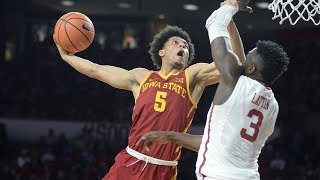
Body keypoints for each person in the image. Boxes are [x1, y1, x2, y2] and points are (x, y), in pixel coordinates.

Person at [53, 23, 242, 179]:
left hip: (162, 170)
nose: (182, 47)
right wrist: (67, 57)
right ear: (161, 52)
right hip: (129, 162)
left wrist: (229, 23)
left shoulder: (192, 77)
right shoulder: (142, 77)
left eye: (185, 46)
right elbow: (96, 70)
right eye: (176, 43)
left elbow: (235, 65)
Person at [136, 0, 290, 179]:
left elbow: (214, 22)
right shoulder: (272, 106)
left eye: (247, 58)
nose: (241, 61)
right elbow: (214, 143)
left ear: (251, 69)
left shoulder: (235, 82)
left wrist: (231, 5)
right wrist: (169, 136)